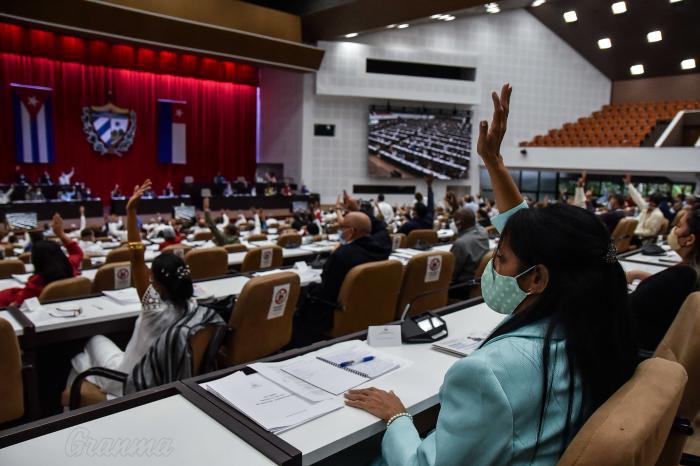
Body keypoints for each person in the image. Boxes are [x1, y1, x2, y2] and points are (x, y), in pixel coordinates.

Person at [344, 84, 637, 465]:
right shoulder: (601, 322)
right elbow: (544, 243)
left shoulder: (486, 374)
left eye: (500, 258)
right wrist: (493, 163)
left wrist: (398, 417)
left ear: (536, 280)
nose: (492, 267)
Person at [69, 179, 223, 397]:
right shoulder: (194, 306)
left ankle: (73, 404)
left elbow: (136, 256)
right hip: (166, 376)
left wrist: (130, 212)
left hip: (130, 380)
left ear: (156, 284)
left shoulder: (154, 309)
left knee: (92, 343)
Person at [293, 212, 391, 346]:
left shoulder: (342, 255)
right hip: (372, 310)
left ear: (351, 231)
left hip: (337, 314)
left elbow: (325, 292)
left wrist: (307, 289)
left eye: (342, 227)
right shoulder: (382, 249)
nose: (340, 231)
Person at [0, 214, 84, 307]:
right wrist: (61, 233)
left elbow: (15, 305)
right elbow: (77, 253)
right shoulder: (70, 267)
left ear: (36, 260)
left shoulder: (36, 283)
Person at [626, 207, 700, 289]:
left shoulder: (683, 274)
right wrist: (638, 274)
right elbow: (666, 283)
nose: (673, 229)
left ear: (689, 240)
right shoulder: (690, 269)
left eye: (678, 226)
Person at [449, 208, 490, 294]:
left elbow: (451, 275)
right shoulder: (483, 232)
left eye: (455, 221)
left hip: (462, 286)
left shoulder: (460, 244)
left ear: (459, 224)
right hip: (480, 281)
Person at [625, 174, 664, 242]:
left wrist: (634, 232)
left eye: (651, 202)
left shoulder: (658, 215)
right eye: (649, 201)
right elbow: (637, 198)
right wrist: (629, 184)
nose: (649, 203)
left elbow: (651, 232)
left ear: (656, 204)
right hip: (633, 233)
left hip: (641, 238)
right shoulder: (646, 207)